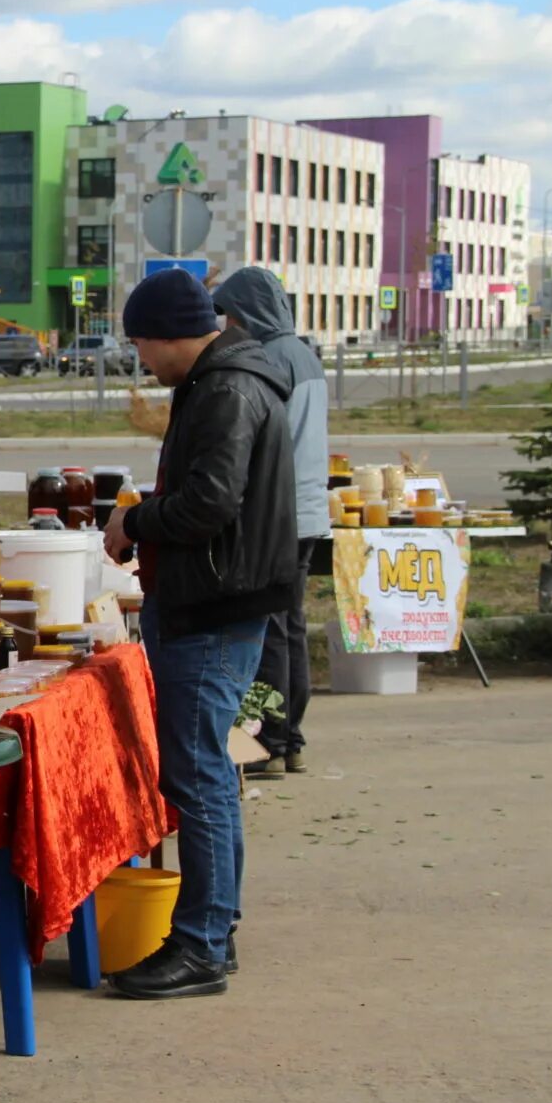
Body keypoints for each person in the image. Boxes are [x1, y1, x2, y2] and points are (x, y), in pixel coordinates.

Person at [100, 268, 297, 999]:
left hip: (214, 604)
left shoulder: (226, 388)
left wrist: (137, 521)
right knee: (206, 771)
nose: (142, 363)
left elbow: (212, 501)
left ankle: (202, 944)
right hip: (216, 597)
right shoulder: (222, 381)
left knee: (200, 773)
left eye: (142, 346)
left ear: (169, 336)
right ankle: (214, 931)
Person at [213, 267, 329, 777]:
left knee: (273, 629)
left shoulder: (270, 359)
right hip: (306, 510)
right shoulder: (303, 353)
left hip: (280, 512)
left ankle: (275, 742)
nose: (227, 325)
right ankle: (292, 738)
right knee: (292, 626)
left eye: (231, 314)